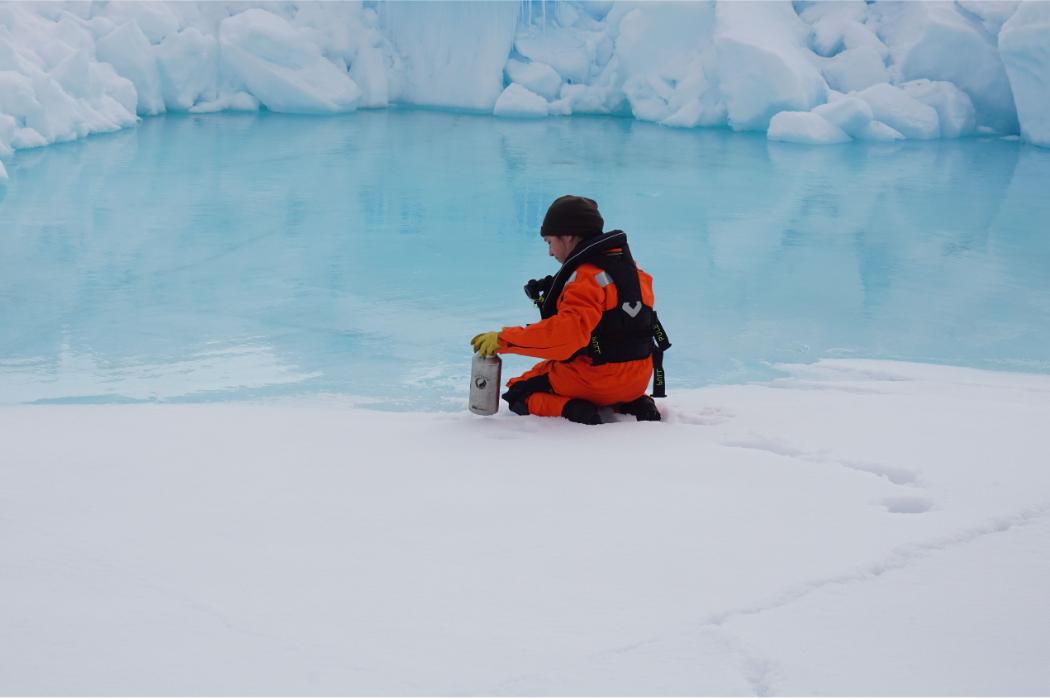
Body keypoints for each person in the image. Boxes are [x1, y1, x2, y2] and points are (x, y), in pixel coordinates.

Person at [470, 195, 670, 425]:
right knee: (608, 371)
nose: (550, 252)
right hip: (638, 379)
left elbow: (566, 338)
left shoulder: (586, 277)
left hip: (594, 381)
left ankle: (573, 410)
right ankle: (635, 402)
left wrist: (504, 339)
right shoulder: (636, 272)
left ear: (567, 237)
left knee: (519, 390)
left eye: (549, 242)